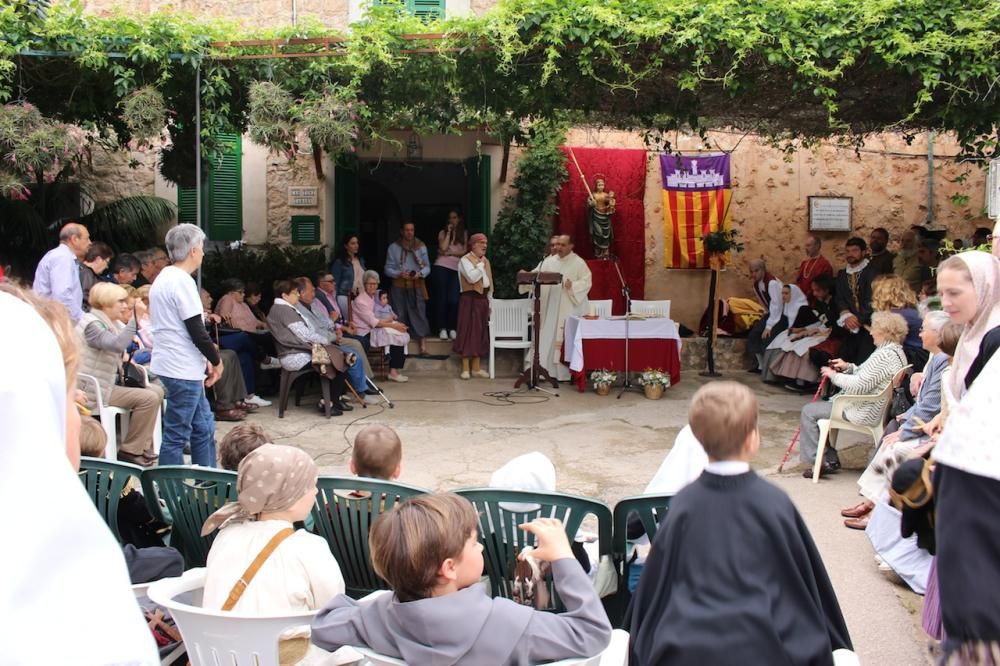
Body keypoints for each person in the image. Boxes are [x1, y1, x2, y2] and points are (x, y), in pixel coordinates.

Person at [627, 382, 853, 665]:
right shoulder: (775, 503)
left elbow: (655, 590)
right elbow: (804, 584)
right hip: (766, 649)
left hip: (687, 649)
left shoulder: (683, 504)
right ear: (753, 440)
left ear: (697, 437)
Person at [0, 284, 160, 664]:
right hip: (107, 392)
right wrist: (134, 318)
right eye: (63, 398)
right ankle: (134, 449)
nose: (74, 416)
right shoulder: (66, 590)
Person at [310, 493, 612, 664]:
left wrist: (383, 600)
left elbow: (323, 627)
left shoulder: (374, 619)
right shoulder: (513, 624)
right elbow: (594, 633)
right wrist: (564, 558)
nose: (480, 545)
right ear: (449, 568)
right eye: (473, 542)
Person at [202, 444, 346, 660]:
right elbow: (334, 612)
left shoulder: (225, 534)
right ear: (289, 496)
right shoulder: (309, 548)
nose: (316, 491)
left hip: (223, 657)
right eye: (310, 486)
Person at [925, 251, 1000, 659]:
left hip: (982, 475)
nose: (947, 303)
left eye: (955, 292)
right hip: (960, 463)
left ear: (984, 288)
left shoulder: (995, 336)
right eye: (941, 294)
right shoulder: (971, 333)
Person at [840, 310, 953, 530]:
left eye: (924, 330)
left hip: (931, 435)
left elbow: (929, 407)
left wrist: (906, 430)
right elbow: (926, 405)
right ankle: (871, 502)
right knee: (891, 439)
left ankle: (877, 510)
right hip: (925, 427)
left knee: (894, 447)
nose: (919, 334)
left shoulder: (941, 362)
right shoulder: (934, 358)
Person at [798, 310, 909, 477]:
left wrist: (834, 376)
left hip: (863, 409)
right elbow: (869, 377)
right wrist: (848, 367)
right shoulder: (896, 352)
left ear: (885, 332)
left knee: (809, 411)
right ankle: (829, 457)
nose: (870, 332)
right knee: (820, 410)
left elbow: (859, 385)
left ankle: (818, 461)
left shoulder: (884, 355)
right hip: (873, 406)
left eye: (874, 328)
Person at [150, 223, 222, 467]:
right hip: (181, 366)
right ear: (193, 250)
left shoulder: (165, 277)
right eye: (201, 247)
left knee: (203, 426)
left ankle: (210, 481)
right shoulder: (181, 281)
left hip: (177, 363)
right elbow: (197, 330)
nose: (203, 253)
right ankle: (172, 489)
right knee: (177, 433)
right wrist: (216, 360)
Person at [76, 282, 165, 466]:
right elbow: (116, 344)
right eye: (121, 301)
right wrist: (135, 320)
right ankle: (130, 451)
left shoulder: (109, 321)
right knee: (147, 398)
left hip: (106, 384)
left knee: (157, 391)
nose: (125, 306)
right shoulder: (92, 324)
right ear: (106, 303)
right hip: (93, 389)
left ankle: (142, 447)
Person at [267, 279, 350, 415]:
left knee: (340, 359)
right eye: (294, 293)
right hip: (295, 355)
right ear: (284, 295)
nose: (298, 296)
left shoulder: (282, 308)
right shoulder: (284, 310)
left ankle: (332, 401)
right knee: (340, 361)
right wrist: (326, 341)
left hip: (298, 351)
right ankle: (328, 403)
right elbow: (305, 334)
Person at [519, 234, 593, 381]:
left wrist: (573, 286)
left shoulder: (578, 263)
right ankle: (539, 369)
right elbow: (535, 275)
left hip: (566, 308)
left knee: (560, 338)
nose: (558, 247)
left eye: (562, 245)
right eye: (557, 244)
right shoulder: (549, 261)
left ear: (571, 246)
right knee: (545, 335)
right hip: (548, 307)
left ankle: (561, 374)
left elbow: (587, 282)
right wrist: (525, 276)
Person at [293, 276, 369, 403]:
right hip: (317, 346)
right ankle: (360, 392)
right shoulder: (299, 309)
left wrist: (335, 328)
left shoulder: (311, 305)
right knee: (351, 354)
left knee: (353, 350)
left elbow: (326, 321)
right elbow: (315, 331)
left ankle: (357, 389)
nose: (314, 293)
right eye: (311, 291)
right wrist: (334, 334)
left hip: (328, 339)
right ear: (301, 293)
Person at [201, 288, 271, 408]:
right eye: (207, 297)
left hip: (215, 341)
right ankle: (264, 359)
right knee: (243, 338)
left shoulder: (206, 311)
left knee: (244, 354)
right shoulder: (226, 300)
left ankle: (247, 396)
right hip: (211, 343)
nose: (211, 299)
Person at [763, 285, 829, 390]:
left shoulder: (804, 307)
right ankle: (781, 377)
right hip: (803, 331)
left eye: (786, 293)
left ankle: (801, 381)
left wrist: (802, 330)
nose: (783, 296)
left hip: (818, 332)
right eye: (782, 293)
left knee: (800, 347)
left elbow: (818, 323)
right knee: (783, 341)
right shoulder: (786, 306)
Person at [352, 270, 409, 383]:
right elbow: (374, 322)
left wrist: (395, 324)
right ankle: (393, 372)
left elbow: (385, 310)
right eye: (370, 284)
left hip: (377, 327)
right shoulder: (360, 301)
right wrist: (394, 326)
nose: (373, 286)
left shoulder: (376, 295)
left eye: (375, 284)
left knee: (401, 332)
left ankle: (395, 370)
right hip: (366, 332)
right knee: (396, 334)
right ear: (364, 284)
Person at [385, 222, 432, 355]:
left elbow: (428, 266)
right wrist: (398, 273)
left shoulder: (421, 247)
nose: (409, 233)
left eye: (412, 230)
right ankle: (401, 348)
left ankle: (422, 345)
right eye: (406, 230)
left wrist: (420, 274)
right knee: (399, 313)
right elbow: (387, 268)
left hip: (416, 285)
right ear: (402, 231)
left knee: (419, 313)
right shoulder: (393, 247)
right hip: (398, 285)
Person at [33, 222, 91, 322]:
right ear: (74, 239)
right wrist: (83, 320)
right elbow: (62, 296)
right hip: (55, 321)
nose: (90, 243)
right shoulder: (62, 258)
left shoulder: (62, 256)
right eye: (87, 239)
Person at [455, 232, 492, 380]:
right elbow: (472, 277)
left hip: (482, 299)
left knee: (480, 332)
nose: (485, 246)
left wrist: (490, 302)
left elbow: (489, 282)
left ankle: (476, 368)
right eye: (482, 243)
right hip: (469, 299)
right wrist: (481, 265)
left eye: (486, 243)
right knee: (467, 331)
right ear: (473, 244)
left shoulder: (485, 261)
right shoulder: (465, 260)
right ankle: (465, 368)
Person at [835, 236, 876, 364]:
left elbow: (872, 299)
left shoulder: (872, 272)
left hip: (869, 325)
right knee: (845, 359)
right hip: (849, 325)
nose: (850, 254)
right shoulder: (842, 274)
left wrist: (858, 319)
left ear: (864, 252)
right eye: (848, 251)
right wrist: (846, 315)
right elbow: (839, 297)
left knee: (864, 361)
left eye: (854, 250)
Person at [871, 273, 926, 370]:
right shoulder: (914, 311)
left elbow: (885, 349)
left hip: (911, 360)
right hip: (922, 356)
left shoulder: (893, 316)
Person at [430, 209, 466, 340]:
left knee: (453, 300)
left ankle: (452, 327)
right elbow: (443, 248)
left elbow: (465, 252)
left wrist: (451, 254)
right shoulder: (443, 233)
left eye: (455, 218)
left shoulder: (464, 233)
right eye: (450, 218)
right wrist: (449, 233)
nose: (452, 220)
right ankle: (442, 328)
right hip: (441, 266)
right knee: (441, 299)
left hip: (456, 269)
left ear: (460, 219)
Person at [745, 257, 784, 373]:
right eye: (752, 271)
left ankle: (769, 368)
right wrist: (765, 318)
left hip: (782, 315)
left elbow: (777, 306)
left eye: (756, 271)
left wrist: (769, 327)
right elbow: (765, 304)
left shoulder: (771, 283)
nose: (754, 274)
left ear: (763, 270)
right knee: (754, 333)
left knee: (767, 336)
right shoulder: (756, 285)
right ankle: (761, 365)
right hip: (772, 313)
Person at [330, 233, 367, 317]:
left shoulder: (360, 260)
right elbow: (335, 283)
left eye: (357, 243)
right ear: (346, 246)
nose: (356, 246)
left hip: (360, 296)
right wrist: (334, 301)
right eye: (352, 243)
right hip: (345, 296)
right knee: (350, 321)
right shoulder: (339, 262)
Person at [794, 234, 834, 306]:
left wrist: (810, 294)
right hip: (802, 301)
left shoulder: (824, 264)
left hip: (816, 302)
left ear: (817, 246)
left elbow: (825, 285)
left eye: (809, 245)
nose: (806, 248)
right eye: (806, 245)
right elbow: (798, 281)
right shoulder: (804, 264)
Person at [587, 177, 616, 260]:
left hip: (605, 217)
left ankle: (605, 252)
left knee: (606, 235)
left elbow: (610, 205)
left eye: (602, 185)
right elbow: (588, 205)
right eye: (599, 185)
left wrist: (611, 203)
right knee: (598, 233)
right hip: (596, 217)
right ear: (596, 186)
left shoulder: (606, 195)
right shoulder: (593, 195)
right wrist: (591, 204)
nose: (601, 186)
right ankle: (598, 251)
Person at [80, 241, 113, 310]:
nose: (106, 267)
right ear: (98, 259)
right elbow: (85, 296)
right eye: (107, 262)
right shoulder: (86, 273)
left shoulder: (80, 269)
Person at [893, 227, 923, 293]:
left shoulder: (921, 260)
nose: (904, 244)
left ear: (916, 243)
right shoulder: (895, 259)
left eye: (908, 241)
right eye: (902, 240)